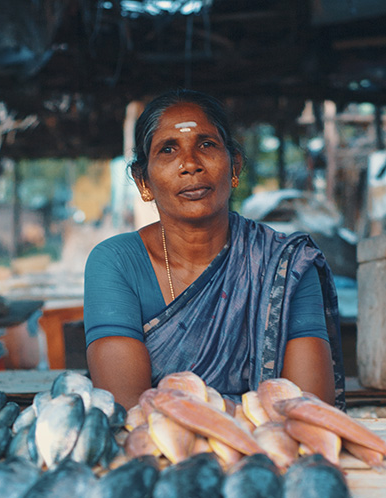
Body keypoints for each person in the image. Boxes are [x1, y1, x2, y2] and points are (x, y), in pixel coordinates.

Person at [84, 89, 345, 412]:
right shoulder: (117, 263)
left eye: (206, 145)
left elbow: (310, 408)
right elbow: (127, 410)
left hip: (268, 455)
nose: (190, 164)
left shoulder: (286, 264)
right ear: (143, 182)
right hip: (159, 456)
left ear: (234, 166)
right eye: (168, 149)